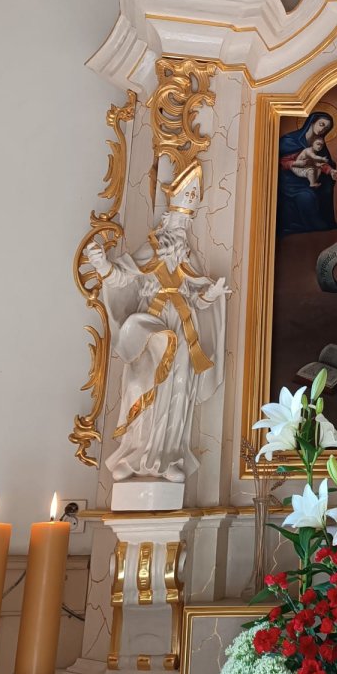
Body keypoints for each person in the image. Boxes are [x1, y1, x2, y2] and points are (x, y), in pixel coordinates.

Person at [84, 162, 228, 484]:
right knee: (141, 385)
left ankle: (168, 456)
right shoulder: (151, 248)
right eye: (179, 220)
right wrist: (102, 265)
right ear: (167, 219)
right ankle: (133, 454)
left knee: (179, 388)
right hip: (150, 326)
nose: (182, 228)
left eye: (187, 221)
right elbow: (123, 278)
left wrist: (212, 295)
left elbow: (198, 298)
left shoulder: (188, 257)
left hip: (183, 329)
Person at [277, 112, 337, 236]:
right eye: (321, 124)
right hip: (289, 180)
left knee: (322, 187)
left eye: (326, 128)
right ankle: (311, 224)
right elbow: (277, 161)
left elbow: (325, 163)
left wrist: (331, 171)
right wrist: (294, 164)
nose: (322, 129)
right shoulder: (289, 140)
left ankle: (321, 221)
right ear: (312, 122)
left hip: (308, 177)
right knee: (307, 196)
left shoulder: (319, 144)